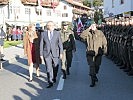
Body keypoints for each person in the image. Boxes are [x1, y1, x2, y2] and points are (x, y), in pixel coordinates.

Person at [80, 23, 107, 87]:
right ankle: (93, 81)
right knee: (92, 66)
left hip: (98, 53)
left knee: (97, 66)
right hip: (90, 53)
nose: (93, 27)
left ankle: (94, 75)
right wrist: (88, 29)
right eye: (92, 26)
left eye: (94, 26)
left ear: (96, 26)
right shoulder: (88, 33)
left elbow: (104, 42)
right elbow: (81, 36)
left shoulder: (100, 33)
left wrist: (105, 51)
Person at [40, 21, 63, 88]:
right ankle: (50, 81)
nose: (50, 27)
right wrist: (41, 54)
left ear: (53, 26)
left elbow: (60, 44)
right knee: (48, 68)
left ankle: (54, 77)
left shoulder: (57, 33)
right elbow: (41, 44)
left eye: (51, 25)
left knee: (55, 67)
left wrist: (61, 53)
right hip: (46, 53)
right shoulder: (43, 34)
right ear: (47, 26)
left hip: (55, 53)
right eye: (48, 25)